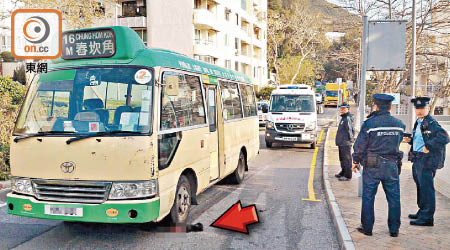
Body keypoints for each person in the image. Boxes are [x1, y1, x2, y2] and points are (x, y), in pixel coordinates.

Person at [352, 94, 405, 237]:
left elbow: (359, 146)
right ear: (390, 107)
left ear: (376, 107)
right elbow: (398, 143)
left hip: (372, 163)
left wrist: (356, 161)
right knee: (394, 197)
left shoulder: (369, 124)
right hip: (391, 164)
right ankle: (394, 230)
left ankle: (367, 228)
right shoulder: (400, 125)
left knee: (368, 196)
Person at [404, 97, 449, 227]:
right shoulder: (418, 122)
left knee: (427, 188)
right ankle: (422, 211)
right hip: (417, 158)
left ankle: (427, 218)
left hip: (427, 161)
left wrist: (429, 146)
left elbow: (444, 137)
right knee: (420, 187)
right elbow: (421, 139)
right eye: (417, 108)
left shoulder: (431, 123)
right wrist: (411, 141)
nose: (419, 110)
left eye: (422, 108)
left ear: (428, 108)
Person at [335, 103, 355, 181]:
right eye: (341, 108)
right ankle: (343, 172)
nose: (342, 110)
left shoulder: (348, 118)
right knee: (342, 159)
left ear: (348, 109)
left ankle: (348, 175)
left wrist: (351, 140)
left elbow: (350, 129)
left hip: (346, 142)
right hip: (341, 142)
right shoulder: (343, 118)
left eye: (344, 108)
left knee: (347, 159)